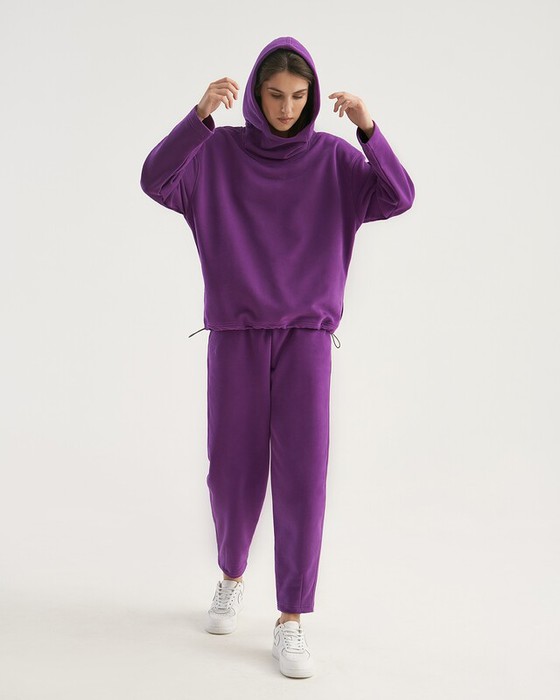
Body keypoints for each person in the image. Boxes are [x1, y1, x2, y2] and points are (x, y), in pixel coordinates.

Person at [140, 35, 414, 679]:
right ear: (256, 96)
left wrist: (369, 130)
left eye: (297, 96)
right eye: (274, 95)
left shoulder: (337, 160)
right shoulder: (217, 154)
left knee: (303, 478)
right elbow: (155, 179)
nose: (286, 107)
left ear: (311, 96)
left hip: (307, 339)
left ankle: (291, 617)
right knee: (230, 469)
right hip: (236, 333)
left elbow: (399, 195)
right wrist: (199, 117)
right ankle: (231, 574)